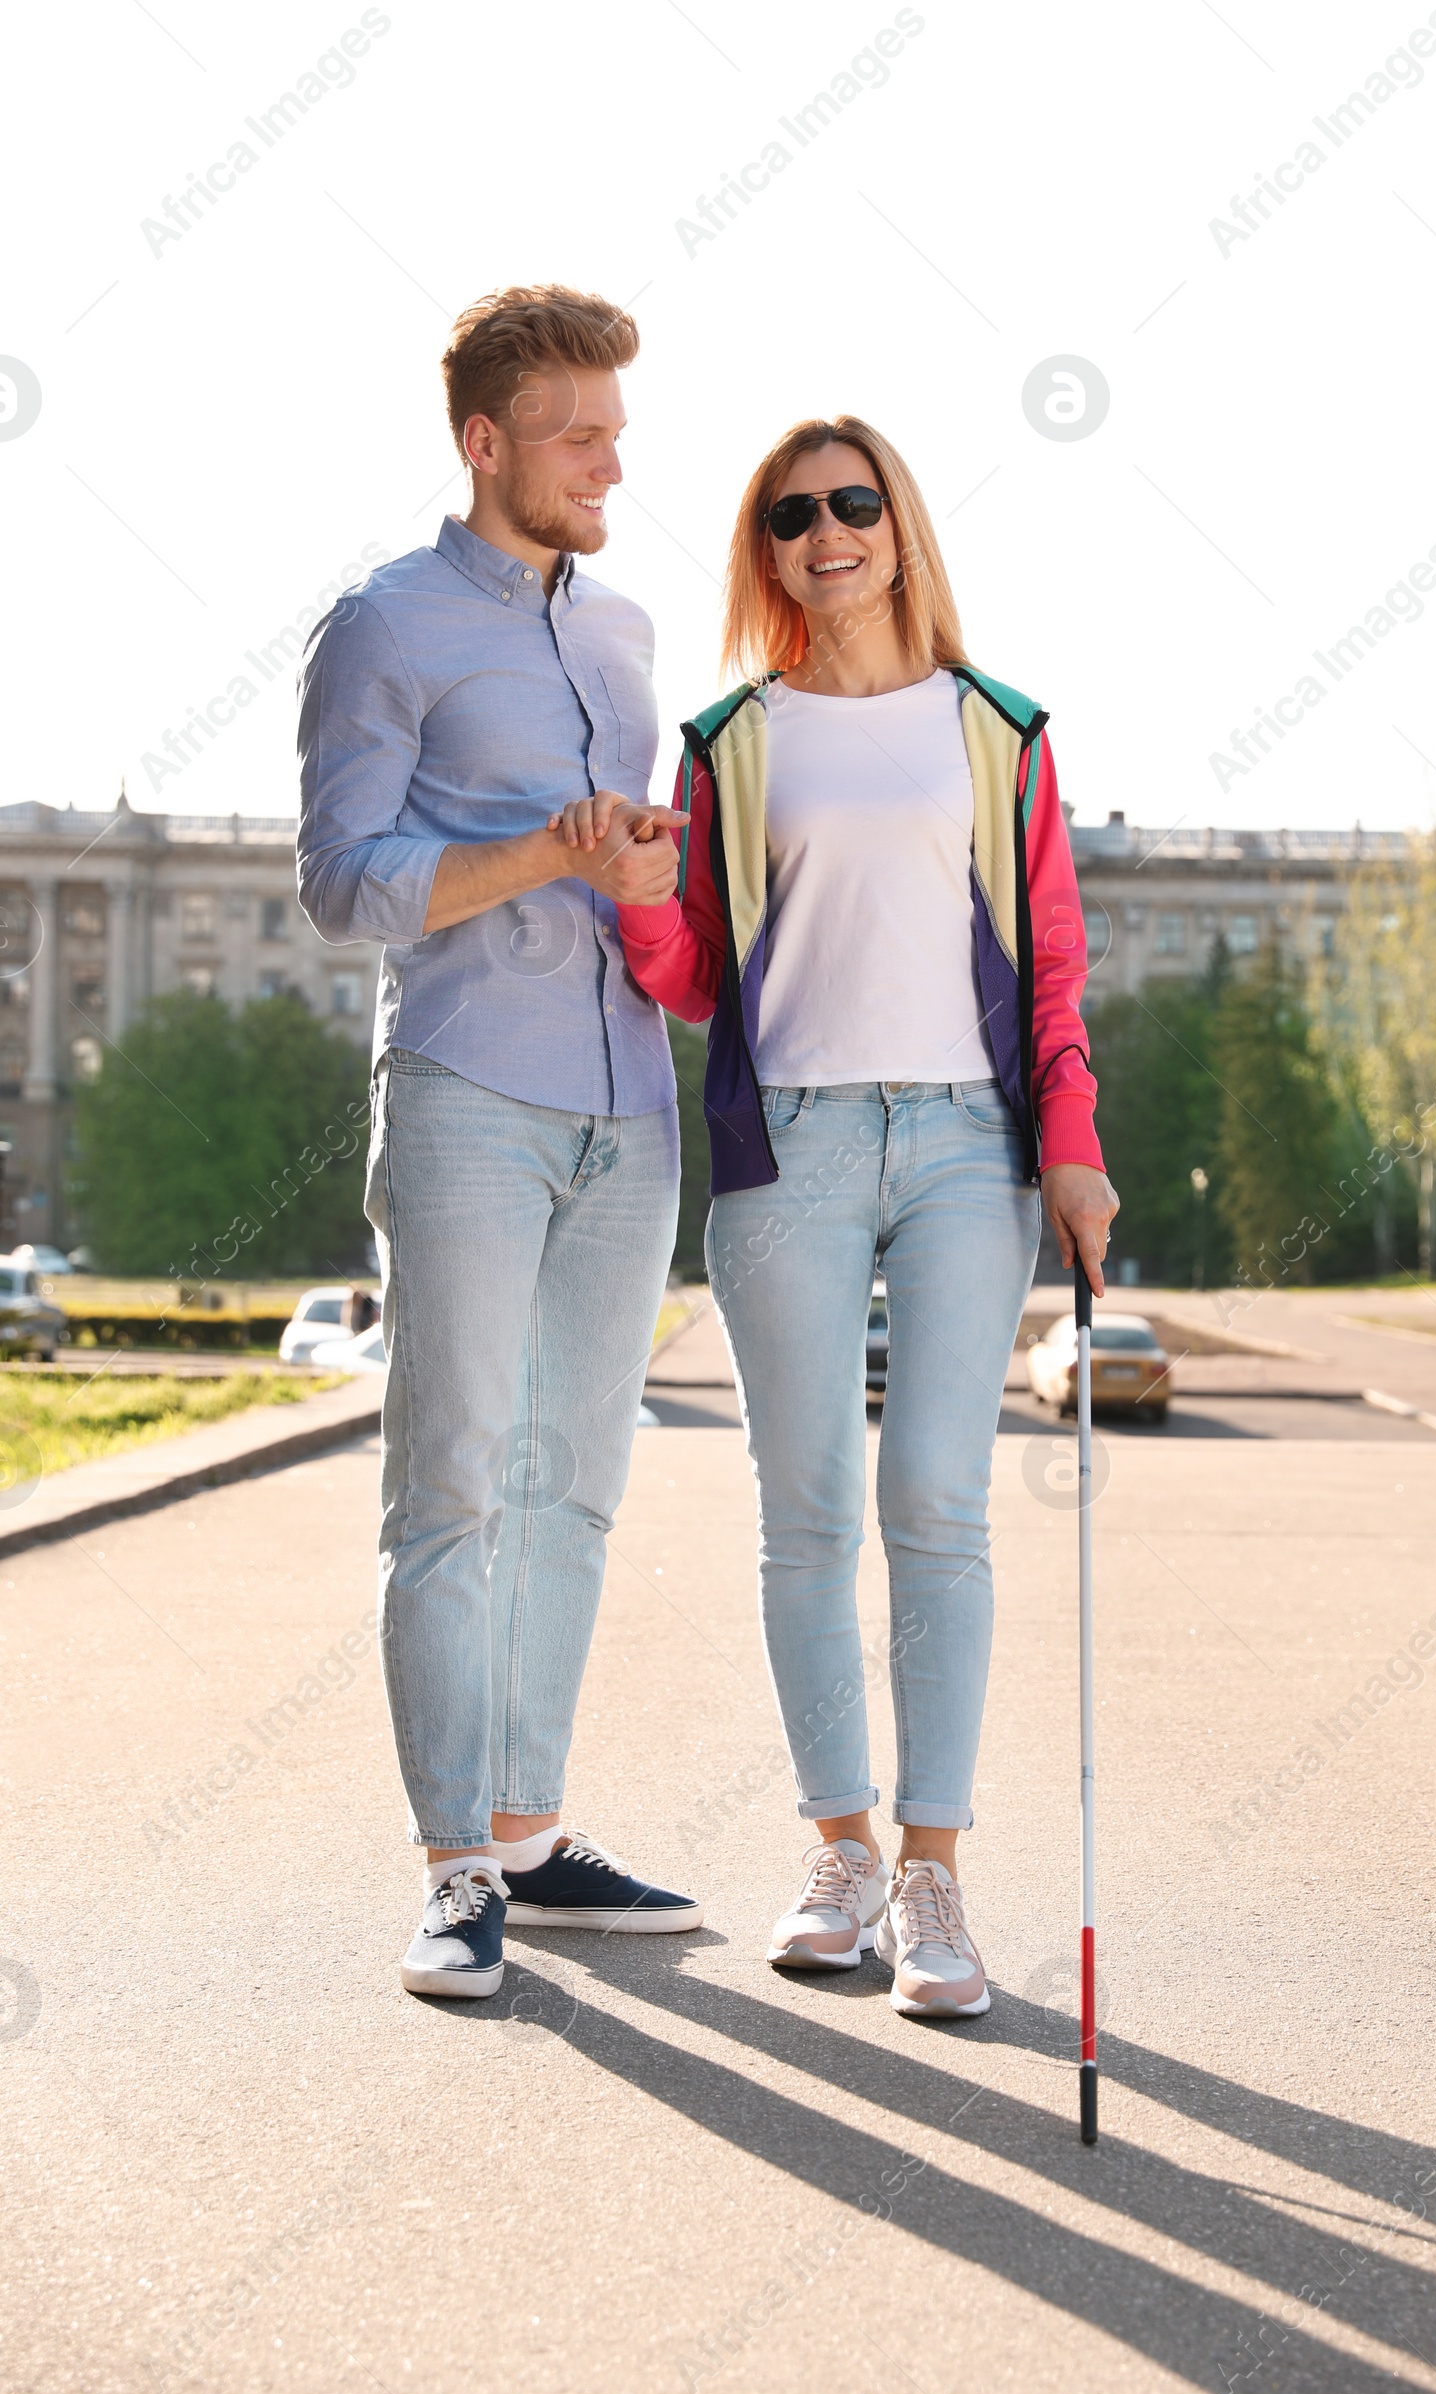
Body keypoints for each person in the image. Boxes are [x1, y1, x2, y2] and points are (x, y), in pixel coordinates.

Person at [550, 415, 1117, 2019]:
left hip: (963, 1149)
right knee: (804, 1511)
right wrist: (641, 891)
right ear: (768, 551)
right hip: (786, 1148)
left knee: (936, 1500)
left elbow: (1054, 963)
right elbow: (693, 980)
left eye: (854, 502)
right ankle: (842, 1854)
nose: (826, 532)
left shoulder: (997, 729)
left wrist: (1070, 1142)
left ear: (899, 524)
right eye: (791, 515)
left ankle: (936, 1876)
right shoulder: (731, 738)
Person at [297, 285, 701, 2002]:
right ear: (486, 445)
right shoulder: (381, 626)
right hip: (469, 1088)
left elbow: (640, 881)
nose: (615, 458)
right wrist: (545, 853)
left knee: (575, 1491)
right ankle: (454, 1865)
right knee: (453, 1487)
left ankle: (533, 1832)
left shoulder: (621, 636)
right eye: (580, 433)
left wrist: (652, 870)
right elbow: (340, 887)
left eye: (617, 427)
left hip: (631, 1104)